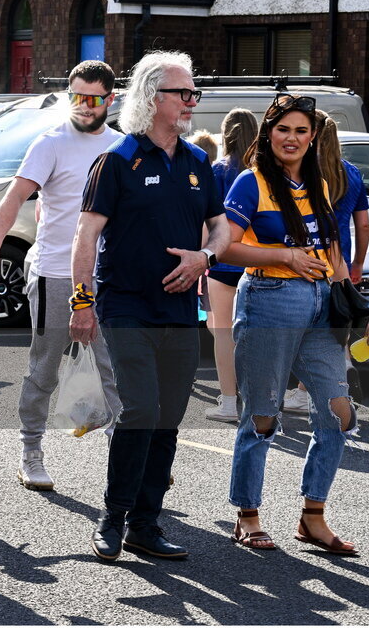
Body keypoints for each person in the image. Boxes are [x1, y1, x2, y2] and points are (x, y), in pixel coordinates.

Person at [70, 51, 230, 561]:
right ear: (152, 97)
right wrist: (82, 301)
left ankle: (146, 523)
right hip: (125, 306)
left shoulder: (198, 162)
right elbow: (86, 234)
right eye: (183, 93)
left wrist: (204, 256)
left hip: (182, 313)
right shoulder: (118, 160)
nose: (191, 102)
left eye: (193, 94)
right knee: (140, 410)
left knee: (168, 419)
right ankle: (112, 518)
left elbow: (221, 226)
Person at [222, 94, 363, 554]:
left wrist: (352, 305)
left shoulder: (319, 183)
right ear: (268, 134)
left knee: (338, 412)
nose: (292, 138)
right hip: (269, 299)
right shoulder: (250, 183)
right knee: (262, 413)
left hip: (322, 305)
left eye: (302, 131)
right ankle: (248, 515)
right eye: (284, 129)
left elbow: (331, 248)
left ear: (313, 137)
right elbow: (223, 248)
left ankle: (313, 516)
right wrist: (285, 255)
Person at [0, 60, 122, 491]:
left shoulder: (121, 147)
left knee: (115, 370)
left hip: (108, 278)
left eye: (91, 99)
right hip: (54, 274)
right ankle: (31, 453)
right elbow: (14, 197)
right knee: (44, 367)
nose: (81, 106)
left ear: (109, 100)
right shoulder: (50, 143)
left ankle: (128, 460)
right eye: (75, 97)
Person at [282, 112, 369, 413]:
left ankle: (304, 390)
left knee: (312, 325)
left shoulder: (304, 172)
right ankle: (347, 361)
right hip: (339, 255)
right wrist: (357, 261)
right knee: (334, 317)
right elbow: (363, 225)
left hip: (308, 254)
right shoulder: (352, 173)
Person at [204, 109, 258, 423]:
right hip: (255, 262)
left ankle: (228, 402)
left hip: (222, 262)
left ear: (225, 135)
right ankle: (260, 401)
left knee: (222, 333)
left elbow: (206, 218)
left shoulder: (217, 171)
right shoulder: (262, 172)